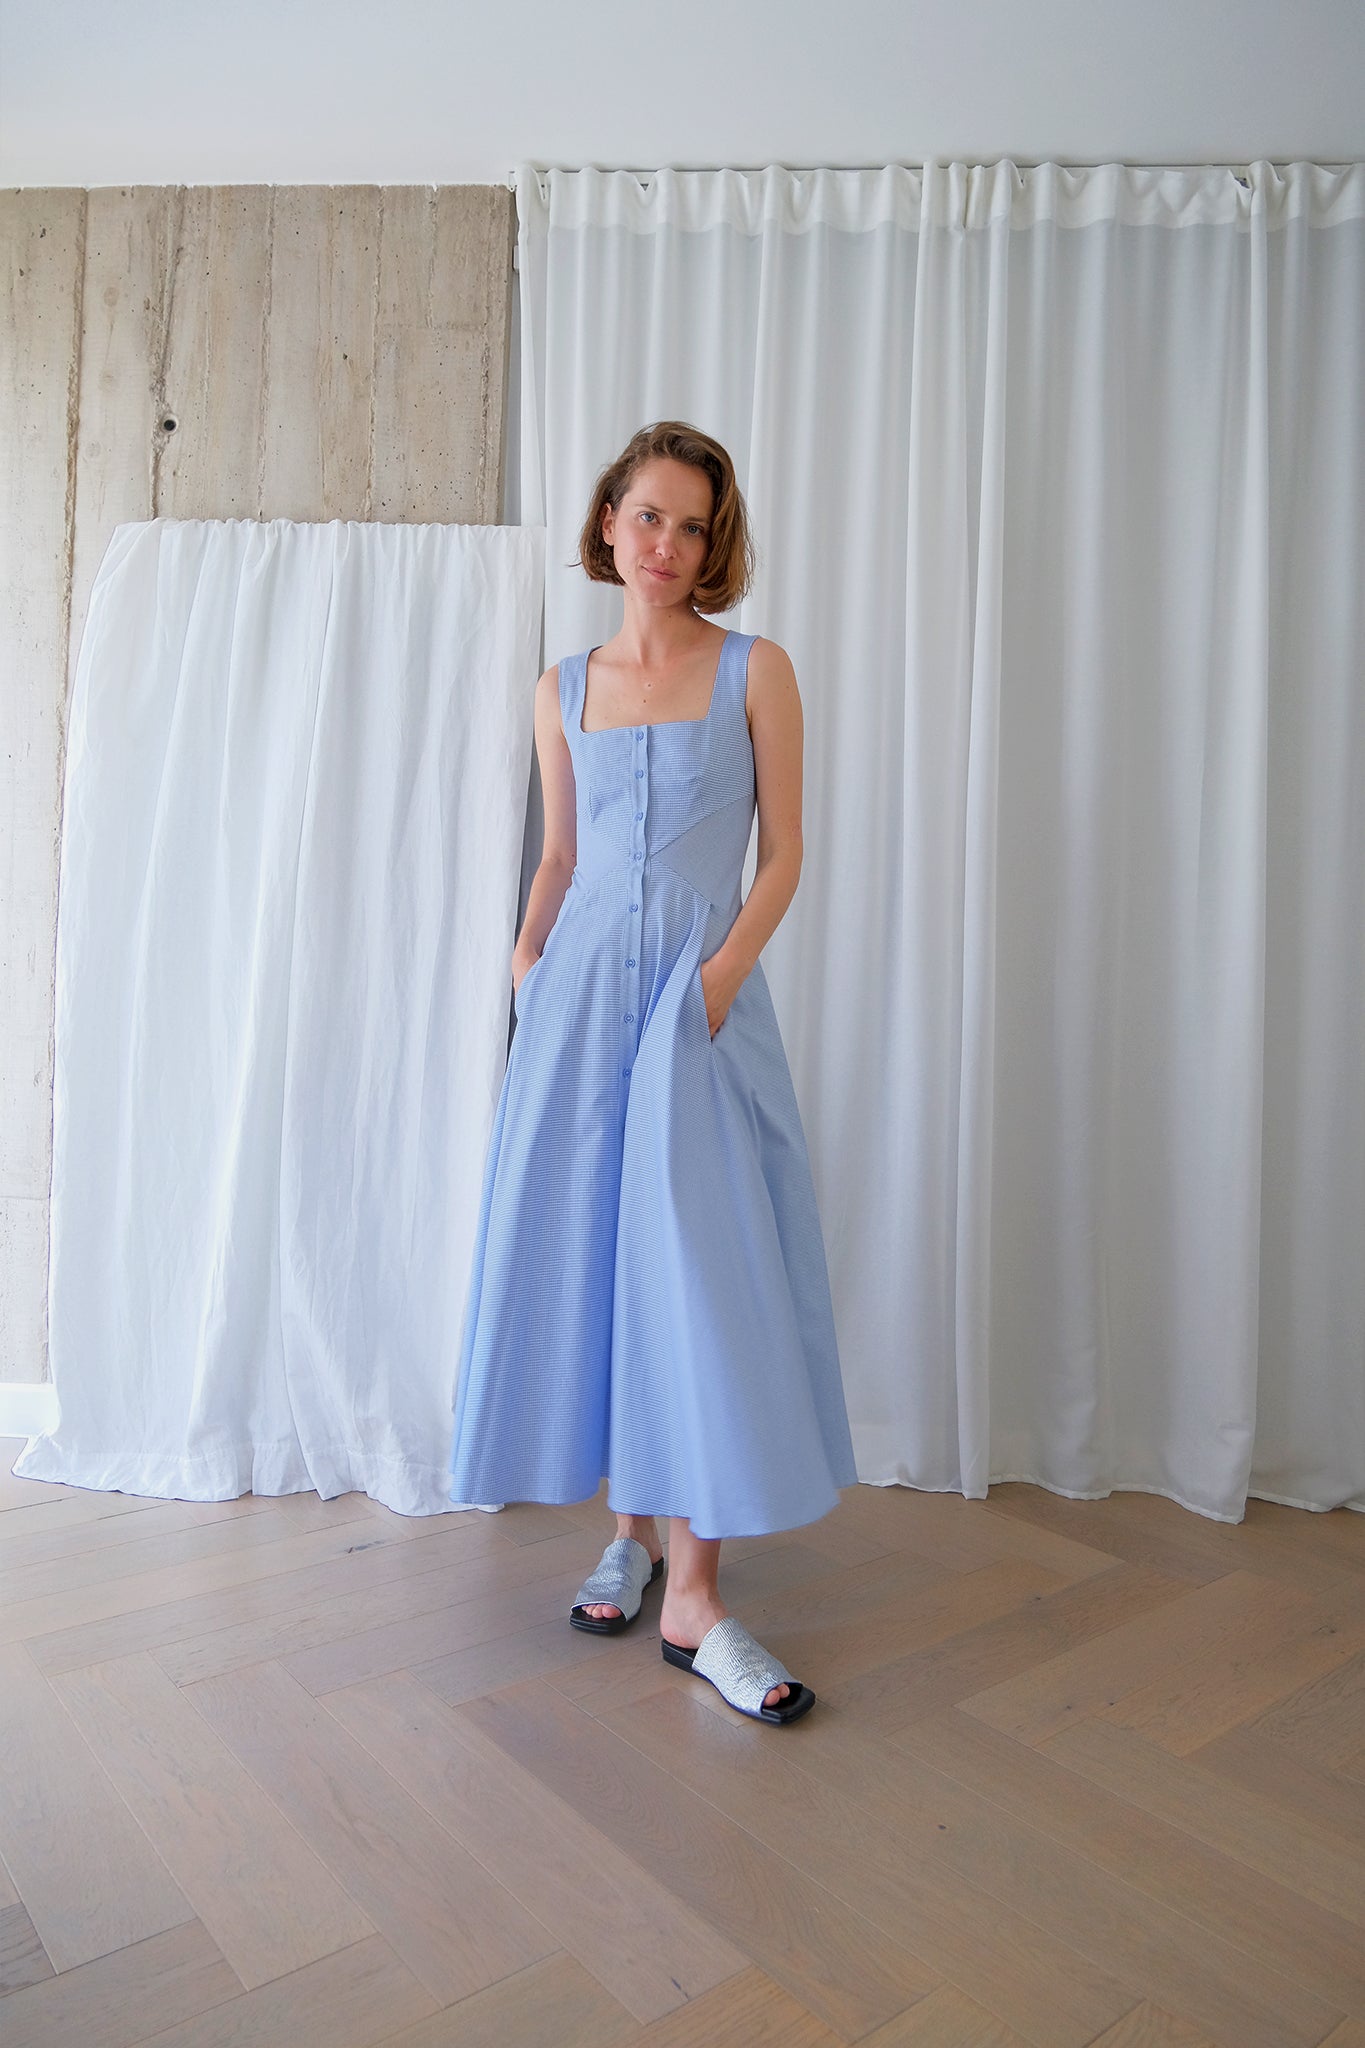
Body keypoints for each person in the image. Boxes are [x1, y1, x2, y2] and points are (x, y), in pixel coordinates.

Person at [448, 421, 857, 1724]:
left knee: (697, 1281)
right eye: (646, 516)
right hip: (575, 1007)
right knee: (594, 1264)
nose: (665, 544)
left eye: (690, 524)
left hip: (694, 1009)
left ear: (712, 542)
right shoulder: (561, 686)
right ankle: (627, 1535)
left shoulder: (755, 670)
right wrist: (525, 960)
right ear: (608, 522)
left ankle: (695, 1596)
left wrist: (721, 979)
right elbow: (562, 856)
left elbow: (784, 852)